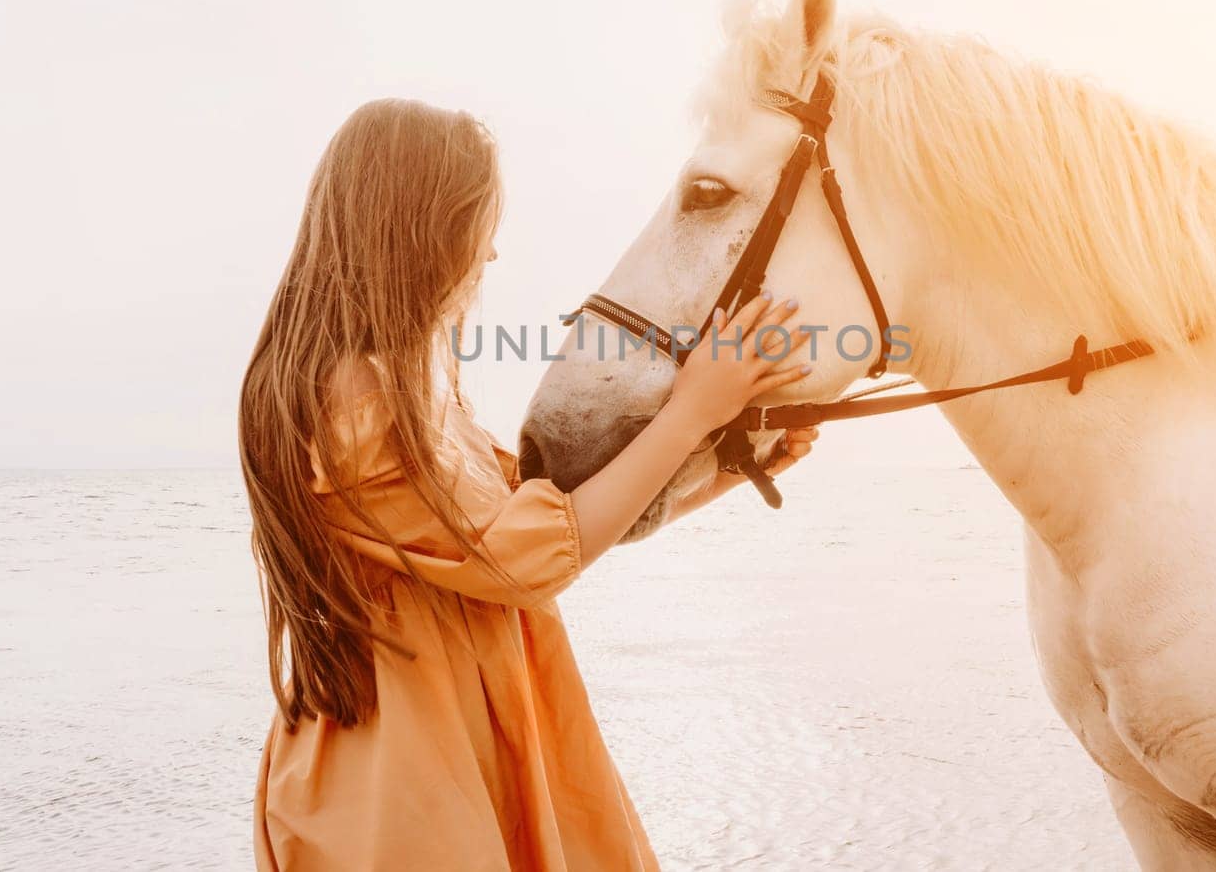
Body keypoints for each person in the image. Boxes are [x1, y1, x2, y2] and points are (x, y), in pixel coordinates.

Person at [239, 99, 817, 870]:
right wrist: (691, 410)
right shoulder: (357, 398)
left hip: (447, 746)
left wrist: (722, 468)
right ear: (424, 232)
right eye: (479, 229)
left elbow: (551, 527)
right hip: (404, 780)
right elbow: (529, 556)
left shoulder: (405, 385)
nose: (491, 258)